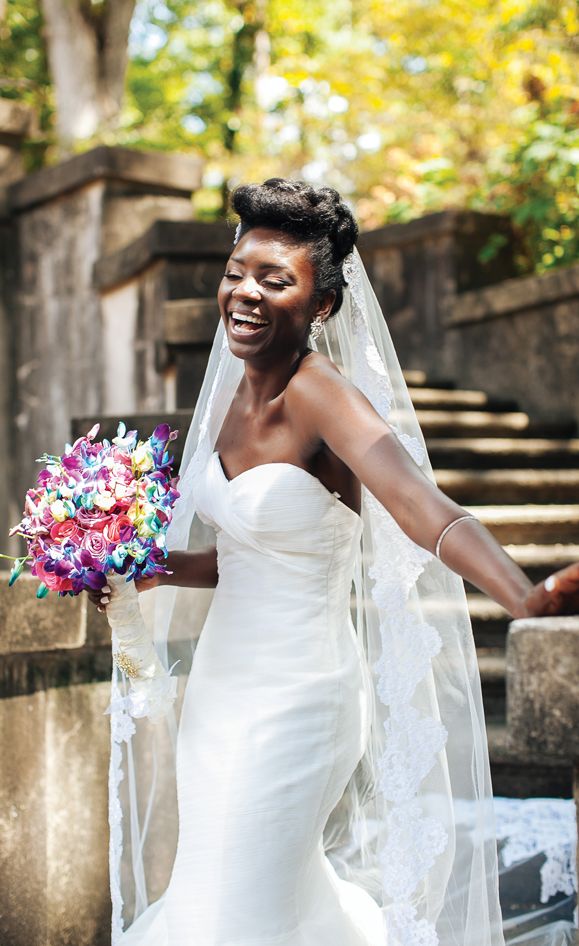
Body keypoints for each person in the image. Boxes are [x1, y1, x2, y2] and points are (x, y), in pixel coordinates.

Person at [88, 179, 579, 946]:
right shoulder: (225, 399)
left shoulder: (326, 397)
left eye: (274, 280)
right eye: (236, 272)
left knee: (241, 906)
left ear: (320, 307)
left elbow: (422, 506)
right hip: (221, 694)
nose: (244, 293)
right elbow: (240, 555)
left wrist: (524, 596)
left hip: (300, 697)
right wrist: (142, 566)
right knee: (226, 887)